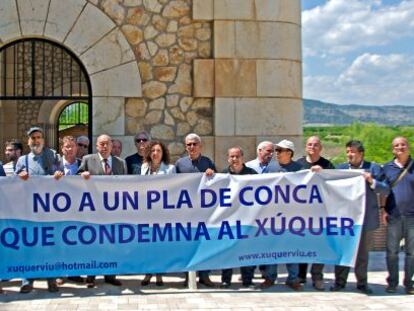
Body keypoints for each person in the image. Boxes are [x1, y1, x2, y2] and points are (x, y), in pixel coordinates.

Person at [331, 140, 389, 294]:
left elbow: (385, 190)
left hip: (365, 220)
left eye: (353, 152)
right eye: (348, 151)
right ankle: (339, 282)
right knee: (342, 252)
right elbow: (328, 183)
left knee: (362, 254)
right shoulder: (341, 169)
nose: (350, 155)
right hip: (345, 220)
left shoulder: (373, 168)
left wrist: (371, 180)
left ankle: (362, 284)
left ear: (361, 153)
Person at [14, 126, 62, 293]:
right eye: (33, 138)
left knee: (50, 247)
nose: (36, 140)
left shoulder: (53, 156)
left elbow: (62, 176)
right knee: (29, 247)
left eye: (39, 137)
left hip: (50, 211)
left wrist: (59, 175)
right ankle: (27, 281)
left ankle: (51, 280)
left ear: (43, 139)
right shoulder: (22, 161)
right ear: (28, 141)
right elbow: (13, 186)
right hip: (29, 213)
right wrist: (19, 177)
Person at [78, 134, 127, 288]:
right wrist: (82, 175)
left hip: (114, 212)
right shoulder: (87, 159)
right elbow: (74, 179)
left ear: (112, 146)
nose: (104, 147)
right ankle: (91, 276)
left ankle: (110, 276)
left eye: (107, 144)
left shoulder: (120, 163)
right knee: (94, 244)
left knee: (112, 244)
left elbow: (127, 184)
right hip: (93, 211)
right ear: (97, 146)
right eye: (102, 144)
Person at [260, 139, 303, 291]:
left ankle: (293, 278)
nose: (276, 153)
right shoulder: (270, 168)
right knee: (272, 247)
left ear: (289, 153)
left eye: (279, 151)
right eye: (275, 151)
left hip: (292, 217)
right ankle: (270, 277)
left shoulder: (299, 168)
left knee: (292, 247)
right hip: (273, 216)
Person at [175, 133, 216, 288]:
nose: (191, 147)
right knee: (188, 245)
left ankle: (204, 276)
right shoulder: (180, 164)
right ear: (185, 147)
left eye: (194, 144)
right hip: (186, 212)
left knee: (205, 244)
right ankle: (188, 276)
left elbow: (218, 183)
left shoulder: (208, 162)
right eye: (188, 145)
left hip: (204, 212)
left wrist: (212, 175)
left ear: (200, 146)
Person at [296, 136, 334, 290]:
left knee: (320, 245)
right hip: (301, 213)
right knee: (301, 245)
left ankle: (317, 276)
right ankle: (300, 275)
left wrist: (323, 173)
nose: (313, 147)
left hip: (320, 213)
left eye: (316, 145)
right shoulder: (298, 164)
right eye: (310, 144)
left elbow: (334, 184)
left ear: (321, 148)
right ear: (306, 147)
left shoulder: (328, 165)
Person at [220, 146, 257, 289]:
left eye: (237, 156)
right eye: (232, 156)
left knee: (246, 250)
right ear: (228, 158)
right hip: (229, 220)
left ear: (242, 157)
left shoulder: (252, 174)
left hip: (247, 219)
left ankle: (247, 281)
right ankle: (226, 280)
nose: (234, 159)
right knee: (228, 250)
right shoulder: (222, 174)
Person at [140, 141, 176, 286]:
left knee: (160, 245)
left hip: (163, 213)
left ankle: (159, 274)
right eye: (153, 150)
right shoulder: (144, 168)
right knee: (148, 245)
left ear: (163, 153)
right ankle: (148, 273)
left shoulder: (170, 169)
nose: (155, 153)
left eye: (159, 151)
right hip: (147, 213)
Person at [382, 136, 414, 295]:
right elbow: (382, 190)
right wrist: (383, 209)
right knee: (392, 252)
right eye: (397, 145)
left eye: (403, 145)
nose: (400, 147)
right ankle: (392, 283)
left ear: (408, 147)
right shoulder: (386, 167)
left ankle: (409, 283)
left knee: (412, 252)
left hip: (412, 217)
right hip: (393, 215)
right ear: (393, 149)